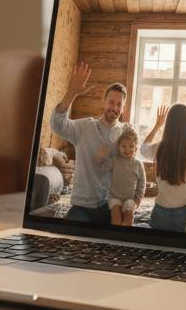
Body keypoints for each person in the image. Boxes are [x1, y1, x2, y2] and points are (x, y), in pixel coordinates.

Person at [49, 61, 127, 223]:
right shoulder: (84, 127)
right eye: (111, 102)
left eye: (119, 104)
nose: (114, 107)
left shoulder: (126, 134)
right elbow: (58, 125)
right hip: (82, 206)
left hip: (112, 206)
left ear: (123, 108)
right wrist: (72, 92)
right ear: (104, 102)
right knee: (70, 242)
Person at [137, 104, 186, 233]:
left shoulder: (160, 148)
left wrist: (158, 124)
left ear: (169, 125)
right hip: (183, 215)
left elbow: (143, 149)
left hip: (160, 214)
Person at [96, 125, 145, 226]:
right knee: (116, 219)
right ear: (118, 147)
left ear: (136, 149)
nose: (127, 149)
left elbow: (142, 182)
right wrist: (100, 157)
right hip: (115, 197)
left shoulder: (138, 164)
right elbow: (101, 168)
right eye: (123, 146)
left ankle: (125, 239)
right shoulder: (114, 160)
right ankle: (115, 240)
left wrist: (139, 196)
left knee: (129, 216)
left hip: (130, 198)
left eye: (131, 146)